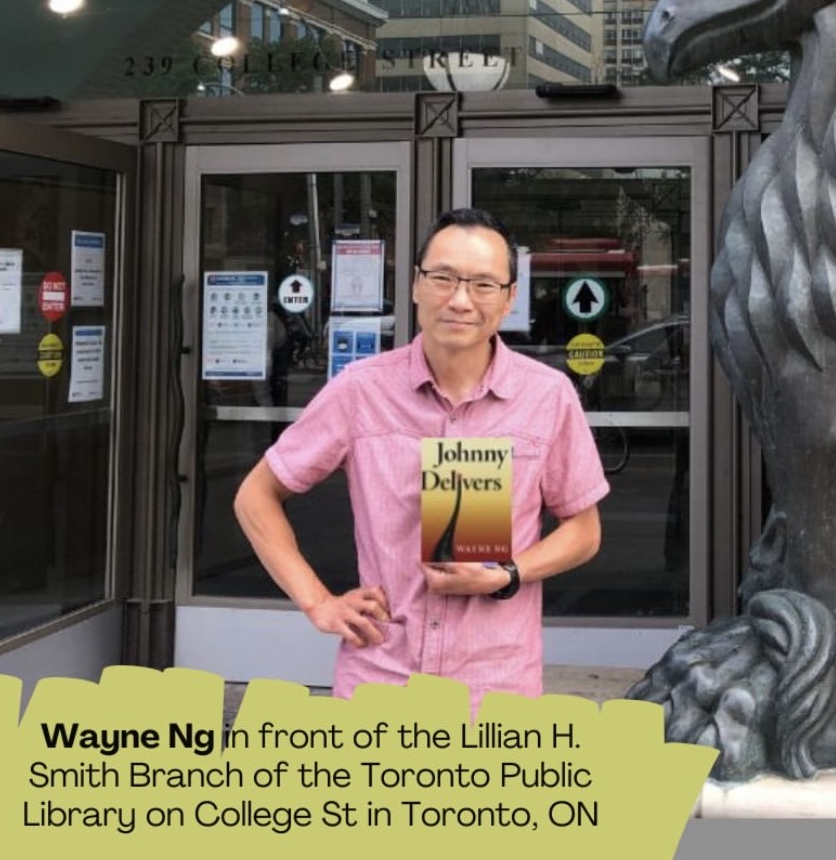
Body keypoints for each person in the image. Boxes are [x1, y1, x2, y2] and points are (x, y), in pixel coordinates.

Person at [234, 207, 609, 708]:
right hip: (382, 680)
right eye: (443, 278)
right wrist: (318, 602)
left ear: (509, 299)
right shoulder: (361, 391)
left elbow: (584, 532)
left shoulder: (547, 396)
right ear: (415, 284)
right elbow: (256, 496)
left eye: (482, 284)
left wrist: (507, 573)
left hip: (496, 687)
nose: (459, 300)